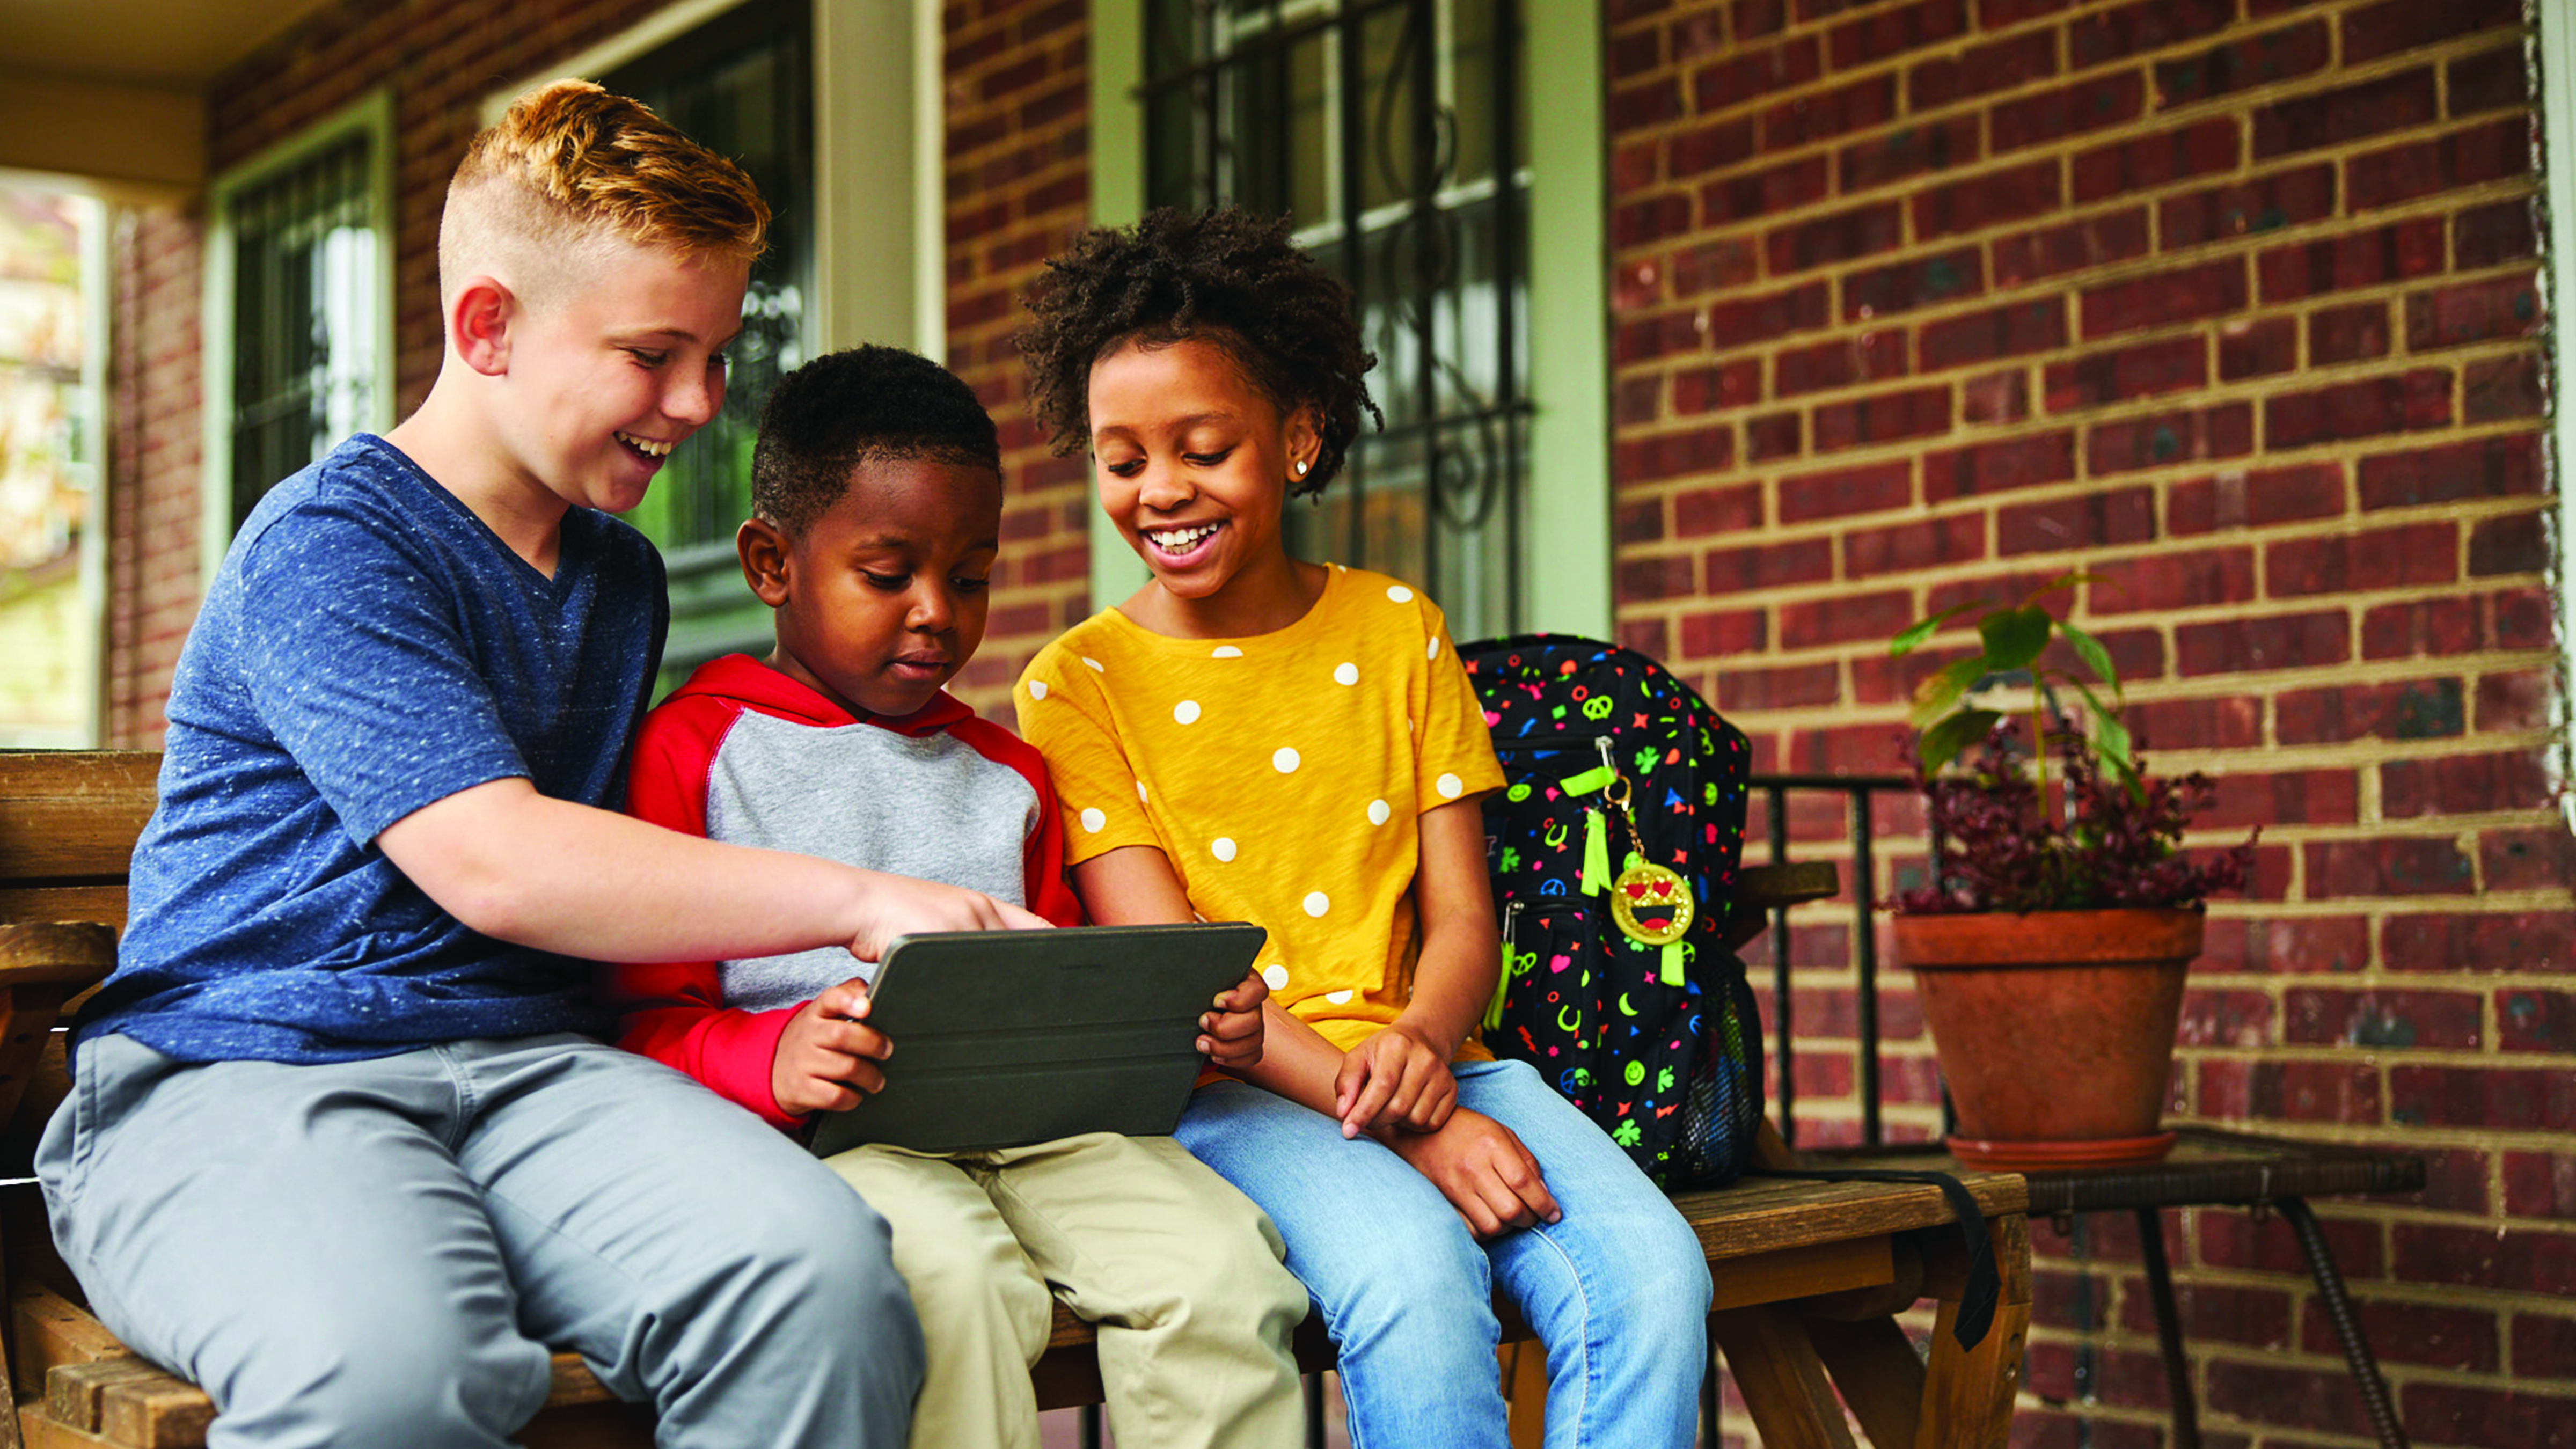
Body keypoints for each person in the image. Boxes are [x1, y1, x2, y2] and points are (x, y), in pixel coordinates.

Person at [39, 81, 1041, 1449]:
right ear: (488, 326)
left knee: (819, 1285)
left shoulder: (616, 573)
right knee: (395, 1375)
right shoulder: (333, 546)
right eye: (653, 354)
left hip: (529, 1071)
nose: (699, 403)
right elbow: (498, 860)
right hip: (245, 1070)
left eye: (717, 354)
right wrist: (862, 897)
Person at [1012, 207, 1713, 1448]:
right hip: (1233, 1089)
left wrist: (1432, 1057)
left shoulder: (1398, 631)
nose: (1159, 490)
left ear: (1297, 438)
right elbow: (1177, 981)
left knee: (1655, 1277)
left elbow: (1462, 918)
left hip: (1442, 1057)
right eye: (1122, 461)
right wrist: (1417, 1125)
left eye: (1202, 447)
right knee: (1413, 1275)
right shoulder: (1078, 685)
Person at [603, 343, 1309, 1449]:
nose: (937, 612)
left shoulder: (1013, 776)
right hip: (836, 1145)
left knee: (1221, 1269)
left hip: (1054, 1135)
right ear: (770, 562)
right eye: (889, 576)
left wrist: (1187, 1030)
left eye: (970, 576)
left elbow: (1064, 986)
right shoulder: (694, 751)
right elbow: (640, 1022)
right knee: (953, 1287)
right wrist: (774, 1057)